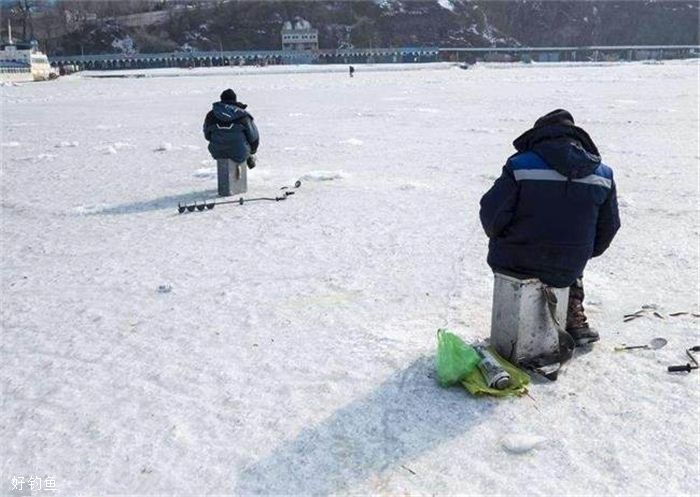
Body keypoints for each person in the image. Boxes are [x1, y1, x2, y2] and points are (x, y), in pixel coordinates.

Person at [479, 109, 620, 346]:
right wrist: (581, 251)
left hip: (516, 261)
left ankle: (525, 319)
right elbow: (609, 227)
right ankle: (573, 314)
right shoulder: (603, 174)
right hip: (570, 266)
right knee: (569, 247)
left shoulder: (520, 165)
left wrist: (503, 238)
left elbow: (491, 214)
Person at [203, 88, 259, 169]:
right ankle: (249, 159)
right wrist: (252, 151)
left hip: (217, 152)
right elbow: (254, 137)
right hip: (240, 152)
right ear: (235, 100)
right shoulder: (243, 115)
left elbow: (207, 136)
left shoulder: (211, 115)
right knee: (242, 150)